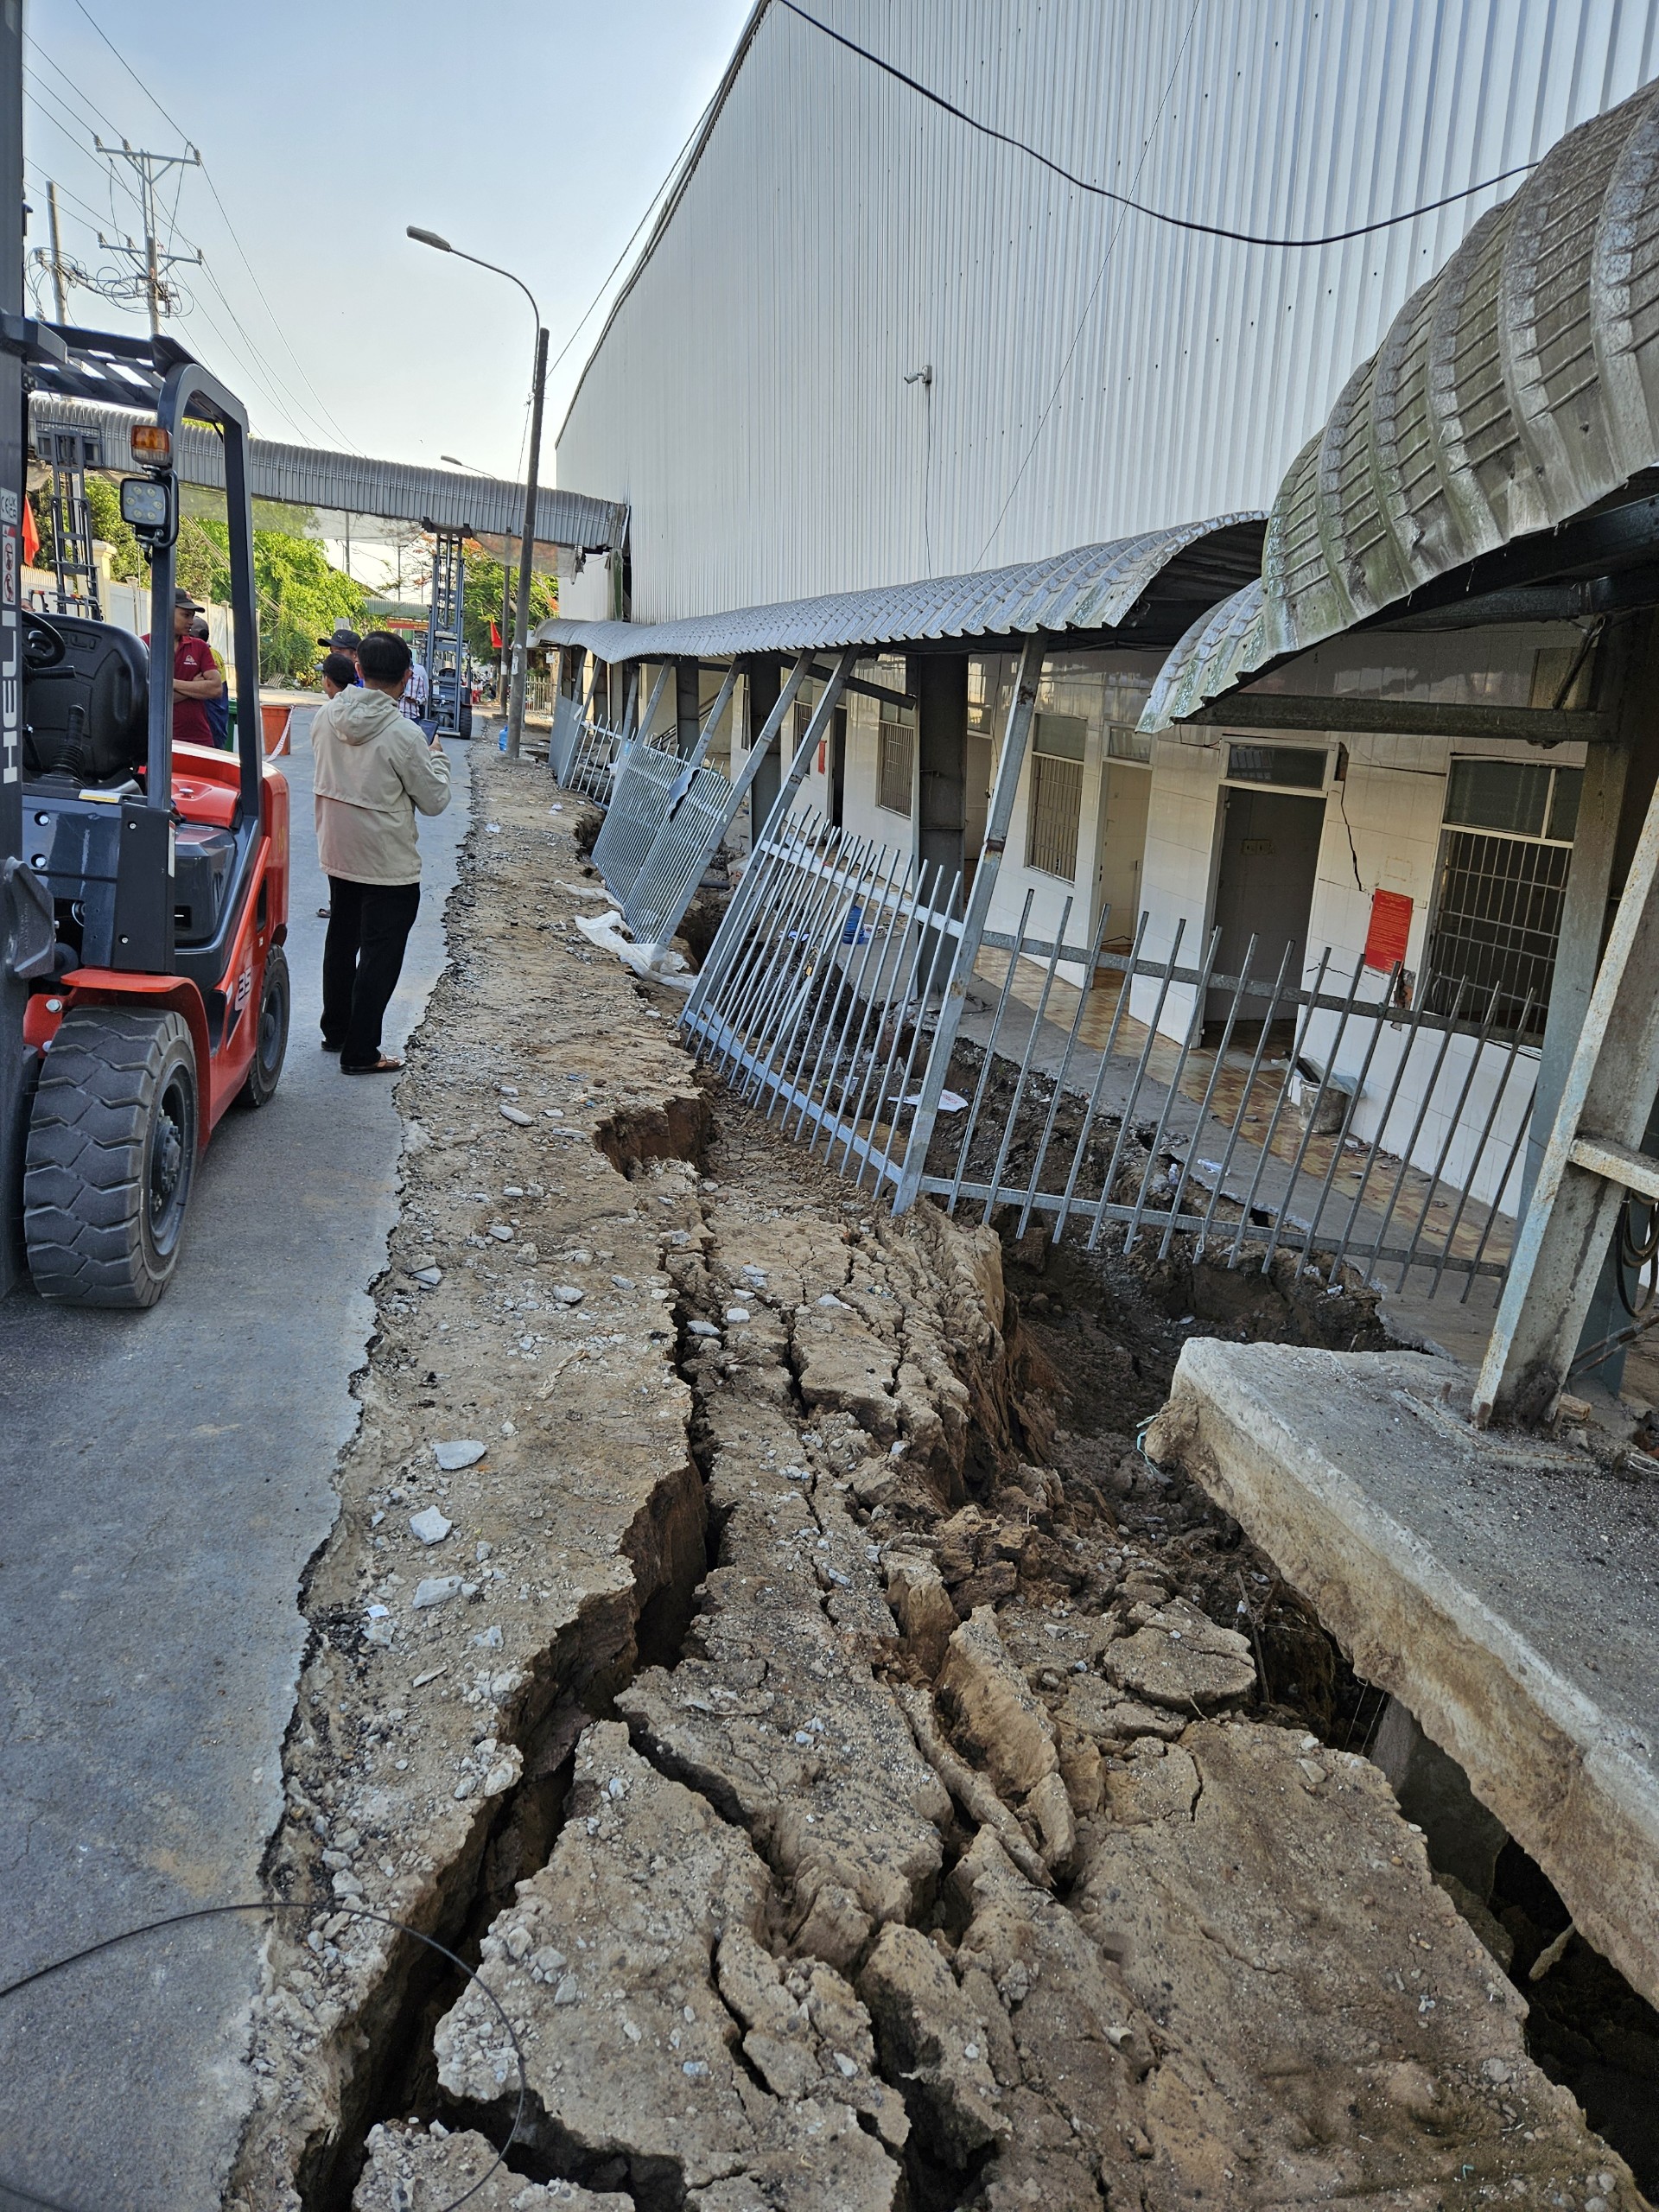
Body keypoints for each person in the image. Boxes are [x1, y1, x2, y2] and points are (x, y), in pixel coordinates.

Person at [311, 630, 450, 1074]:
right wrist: (438, 758)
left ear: (357, 669)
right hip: (387, 864)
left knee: (341, 939)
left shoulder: (325, 717)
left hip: (338, 849)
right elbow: (434, 801)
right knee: (379, 955)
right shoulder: (406, 736)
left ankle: (336, 1032)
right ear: (408, 679)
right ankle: (361, 1052)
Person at [151, 588, 224, 747]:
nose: (191, 621)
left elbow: (216, 689)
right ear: (166, 611)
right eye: (186, 615)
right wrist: (195, 687)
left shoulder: (200, 647)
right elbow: (149, 699)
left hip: (199, 739)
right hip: (156, 740)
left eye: (192, 616)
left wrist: (170, 683)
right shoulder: (145, 646)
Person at [190, 615, 232, 747]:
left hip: (208, 717)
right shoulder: (215, 654)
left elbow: (200, 687)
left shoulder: (201, 656)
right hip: (220, 714)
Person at [401, 652, 429, 725]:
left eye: (410, 669)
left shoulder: (418, 679)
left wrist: (416, 700)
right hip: (399, 714)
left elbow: (424, 696)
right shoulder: (397, 678)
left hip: (412, 715)